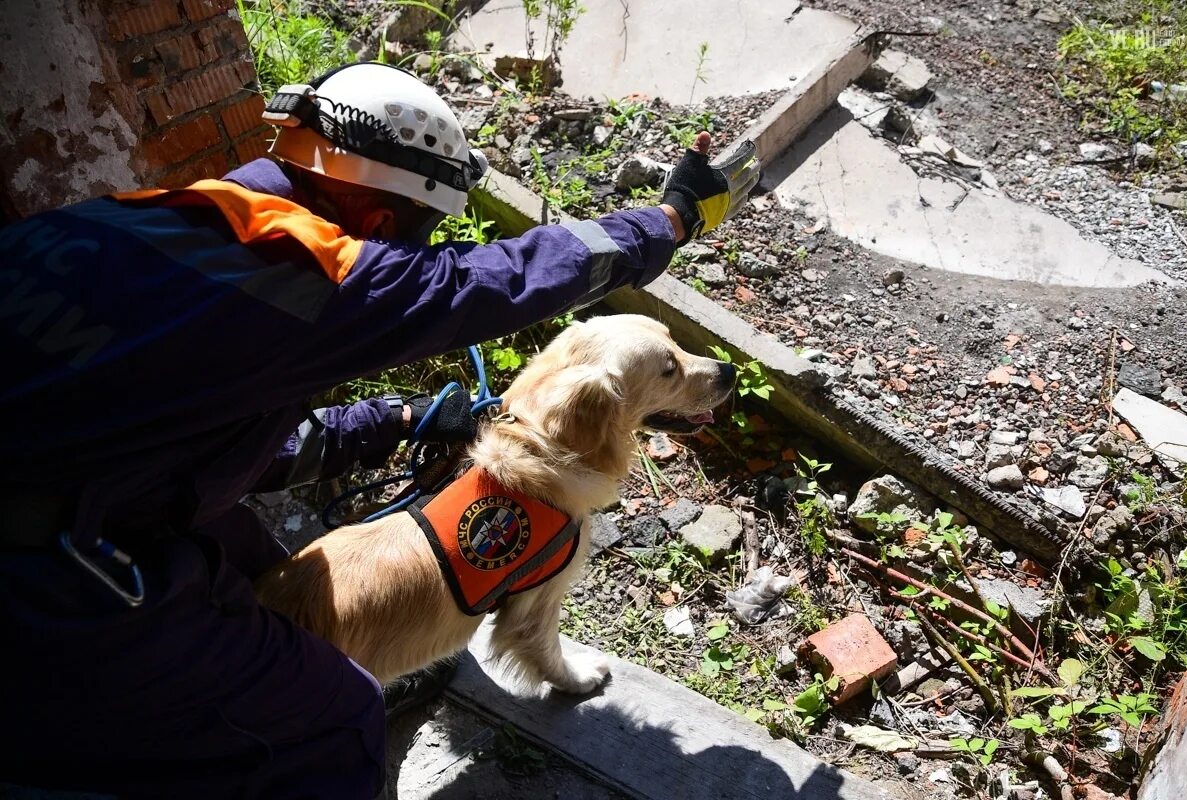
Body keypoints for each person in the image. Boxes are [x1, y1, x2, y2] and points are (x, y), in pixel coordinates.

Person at [0, 62, 758, 798]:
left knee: (275, 573)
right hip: (45, 576)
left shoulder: (133, 220)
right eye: (422, 233)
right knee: (335, 718)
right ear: (380, 217)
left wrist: (388, 420)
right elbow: (507, 278)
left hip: (87, 490)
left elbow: (192, 438)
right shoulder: (312, 269)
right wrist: (671, 219)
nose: (416, 253)